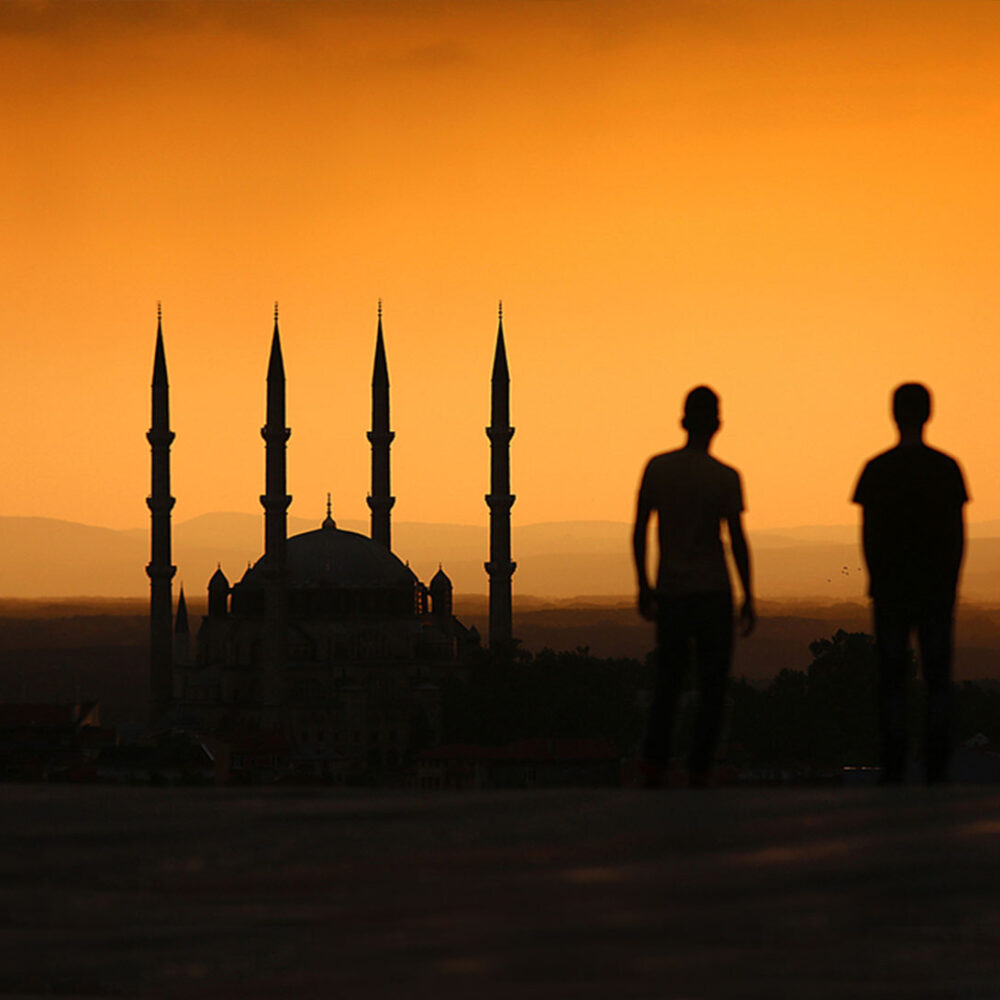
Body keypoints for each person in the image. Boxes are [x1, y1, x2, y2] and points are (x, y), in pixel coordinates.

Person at [632, 386, 755, 788]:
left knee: (669, 680)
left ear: (683, 421)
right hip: (713, 593)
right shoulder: (724, 477)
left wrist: (644, 585)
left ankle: (654, 765)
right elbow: (736, 539)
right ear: (717, 423)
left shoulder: (659, 469)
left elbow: (639, 530)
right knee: (712, 685)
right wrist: (748, 595)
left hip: (672, 591)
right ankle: (700, 769)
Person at [853, 383, 968, 785]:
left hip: (891, 590)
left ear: (894, 414)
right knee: (937, 678)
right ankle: (936, 764)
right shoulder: (946, 469)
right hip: (935, 590)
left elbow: (868, 536)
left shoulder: (878, 469)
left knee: (892, 678)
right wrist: (951, 585)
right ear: (928, 413)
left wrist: (877, 580)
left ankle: (894, 762)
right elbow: (956, 536)